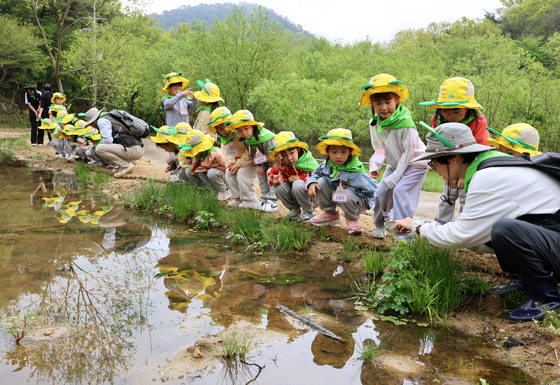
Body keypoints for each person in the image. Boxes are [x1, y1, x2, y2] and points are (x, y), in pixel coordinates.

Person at [394, 122, 560, 322]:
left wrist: (417, 226)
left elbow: (461, 235)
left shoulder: (487, 177)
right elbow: (473, 232)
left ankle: (546, 298)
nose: (434, 169)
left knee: (505, 230)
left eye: (434, 163)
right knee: (496, 231)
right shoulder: (493, 166)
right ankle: (523, 279)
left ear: (454, 157)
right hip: (551, 233)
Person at [359, 73, 428, 239]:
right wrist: (375, 166)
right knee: (380, 193)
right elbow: (379, 147)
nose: (384, 107)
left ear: (397, 99)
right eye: (378, 103)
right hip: (396, 164)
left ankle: (404, 234)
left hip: (416, 164)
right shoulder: (374, 123)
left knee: (400, 191)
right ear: (372, 104)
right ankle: (381, 224)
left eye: (388, 102)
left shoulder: (405, 124)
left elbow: (409, 152)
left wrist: (396, 177)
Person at [420, 77, 490, 225]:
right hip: (451, 164)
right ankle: (442, 226)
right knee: (448, 195)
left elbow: (479, 150)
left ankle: (466, 227)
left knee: (466, 195)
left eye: (456, 110)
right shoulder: (437, 120)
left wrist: (464, 176)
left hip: (473, 165)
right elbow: (439, 147)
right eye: (445, 110)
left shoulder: (477, 121)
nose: (450, 114)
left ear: (468, 108)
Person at [306, 128, 378, 234]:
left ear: (350, 152)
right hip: (339, 197)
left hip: (356, 202)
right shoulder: (327, 165)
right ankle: (331, 213)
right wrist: (311, 182)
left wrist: (350, 187)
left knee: (346, 192)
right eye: (334, 152)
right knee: (320, 181)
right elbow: (316, 174)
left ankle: (352, 219)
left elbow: (374, 190)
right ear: (327, 151)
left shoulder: (356, 171)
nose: (338, 156)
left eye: (343, 152)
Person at [226, 110, 278, 211]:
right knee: (261, 175)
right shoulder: (247, 140)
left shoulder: (266, 137)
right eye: (240, 131)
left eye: (246, 128)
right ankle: (264, 200)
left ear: (252, 126)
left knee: (271, 176)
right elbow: (253, 154)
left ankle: (272, 202)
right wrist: (260, 166)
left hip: (274, 163)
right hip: (262, 163)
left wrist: (270, 167)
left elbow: (272, 154)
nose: (244, 133)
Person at [267, 131, 319, 222]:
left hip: (311, 196)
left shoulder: (308, 161)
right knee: (278, 187)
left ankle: (309, 212)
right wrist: (277, 163)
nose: (289, 158)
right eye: (284, 155)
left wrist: (299, 178)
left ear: (298, 149)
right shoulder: (283, 164)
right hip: (295, 195)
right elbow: (272, 181)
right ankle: (294, 210)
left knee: (298, 183)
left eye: (292, 153)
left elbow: (318, 178)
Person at [82, 107, 144, 178]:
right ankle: (124, 165)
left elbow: (108, 140)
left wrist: (98, 147)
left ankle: (126, 165)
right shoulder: (110, 117)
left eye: (91, 124)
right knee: (101, 147)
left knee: (99, 148)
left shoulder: (102, 121)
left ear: (94, 120)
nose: (92, 126)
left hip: (133, 150)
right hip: (138, 148)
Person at [207, 106, 250, 202]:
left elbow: (249, 152)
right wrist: (230, 164)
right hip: (237, 164)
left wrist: (238, 164)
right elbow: (229, 155)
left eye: (227, 126)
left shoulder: (241, 136)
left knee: (241, 174)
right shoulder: (226, 141)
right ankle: (236, 197)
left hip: (248, 162)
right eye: (221, 129)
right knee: (229, 173)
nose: (225, 130)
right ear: (217, 131)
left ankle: (249, 199)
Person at [178, 130, 228, 198]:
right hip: (216, 175)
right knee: (200, 171)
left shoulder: (216, 153)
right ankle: (213, 190)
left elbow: (227, 166)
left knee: (211, 172)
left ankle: (224, 191)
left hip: (225, 176)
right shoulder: (200, 156)